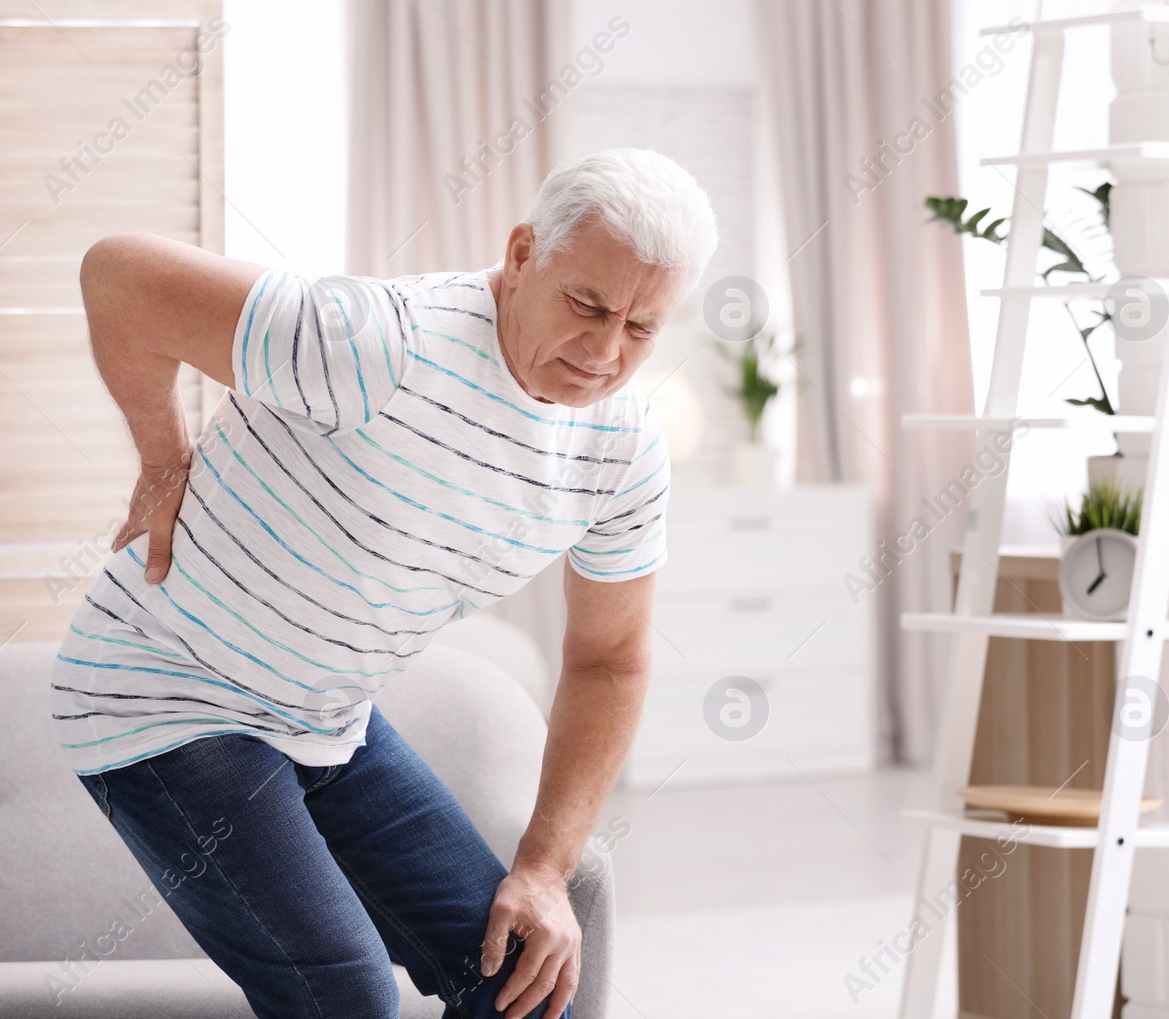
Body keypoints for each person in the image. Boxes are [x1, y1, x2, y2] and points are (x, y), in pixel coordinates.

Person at [53, 147, 718, 1018]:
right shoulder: (371, 342)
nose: (604, 351)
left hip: (326, 719)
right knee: (346, 996)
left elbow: (610, 658)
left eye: (641, 328)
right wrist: (161, 454)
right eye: (587, 304)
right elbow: (119, 276)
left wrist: (547, 869)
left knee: (517, 977)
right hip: (164, 695)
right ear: (523, 255)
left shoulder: (622, 451)